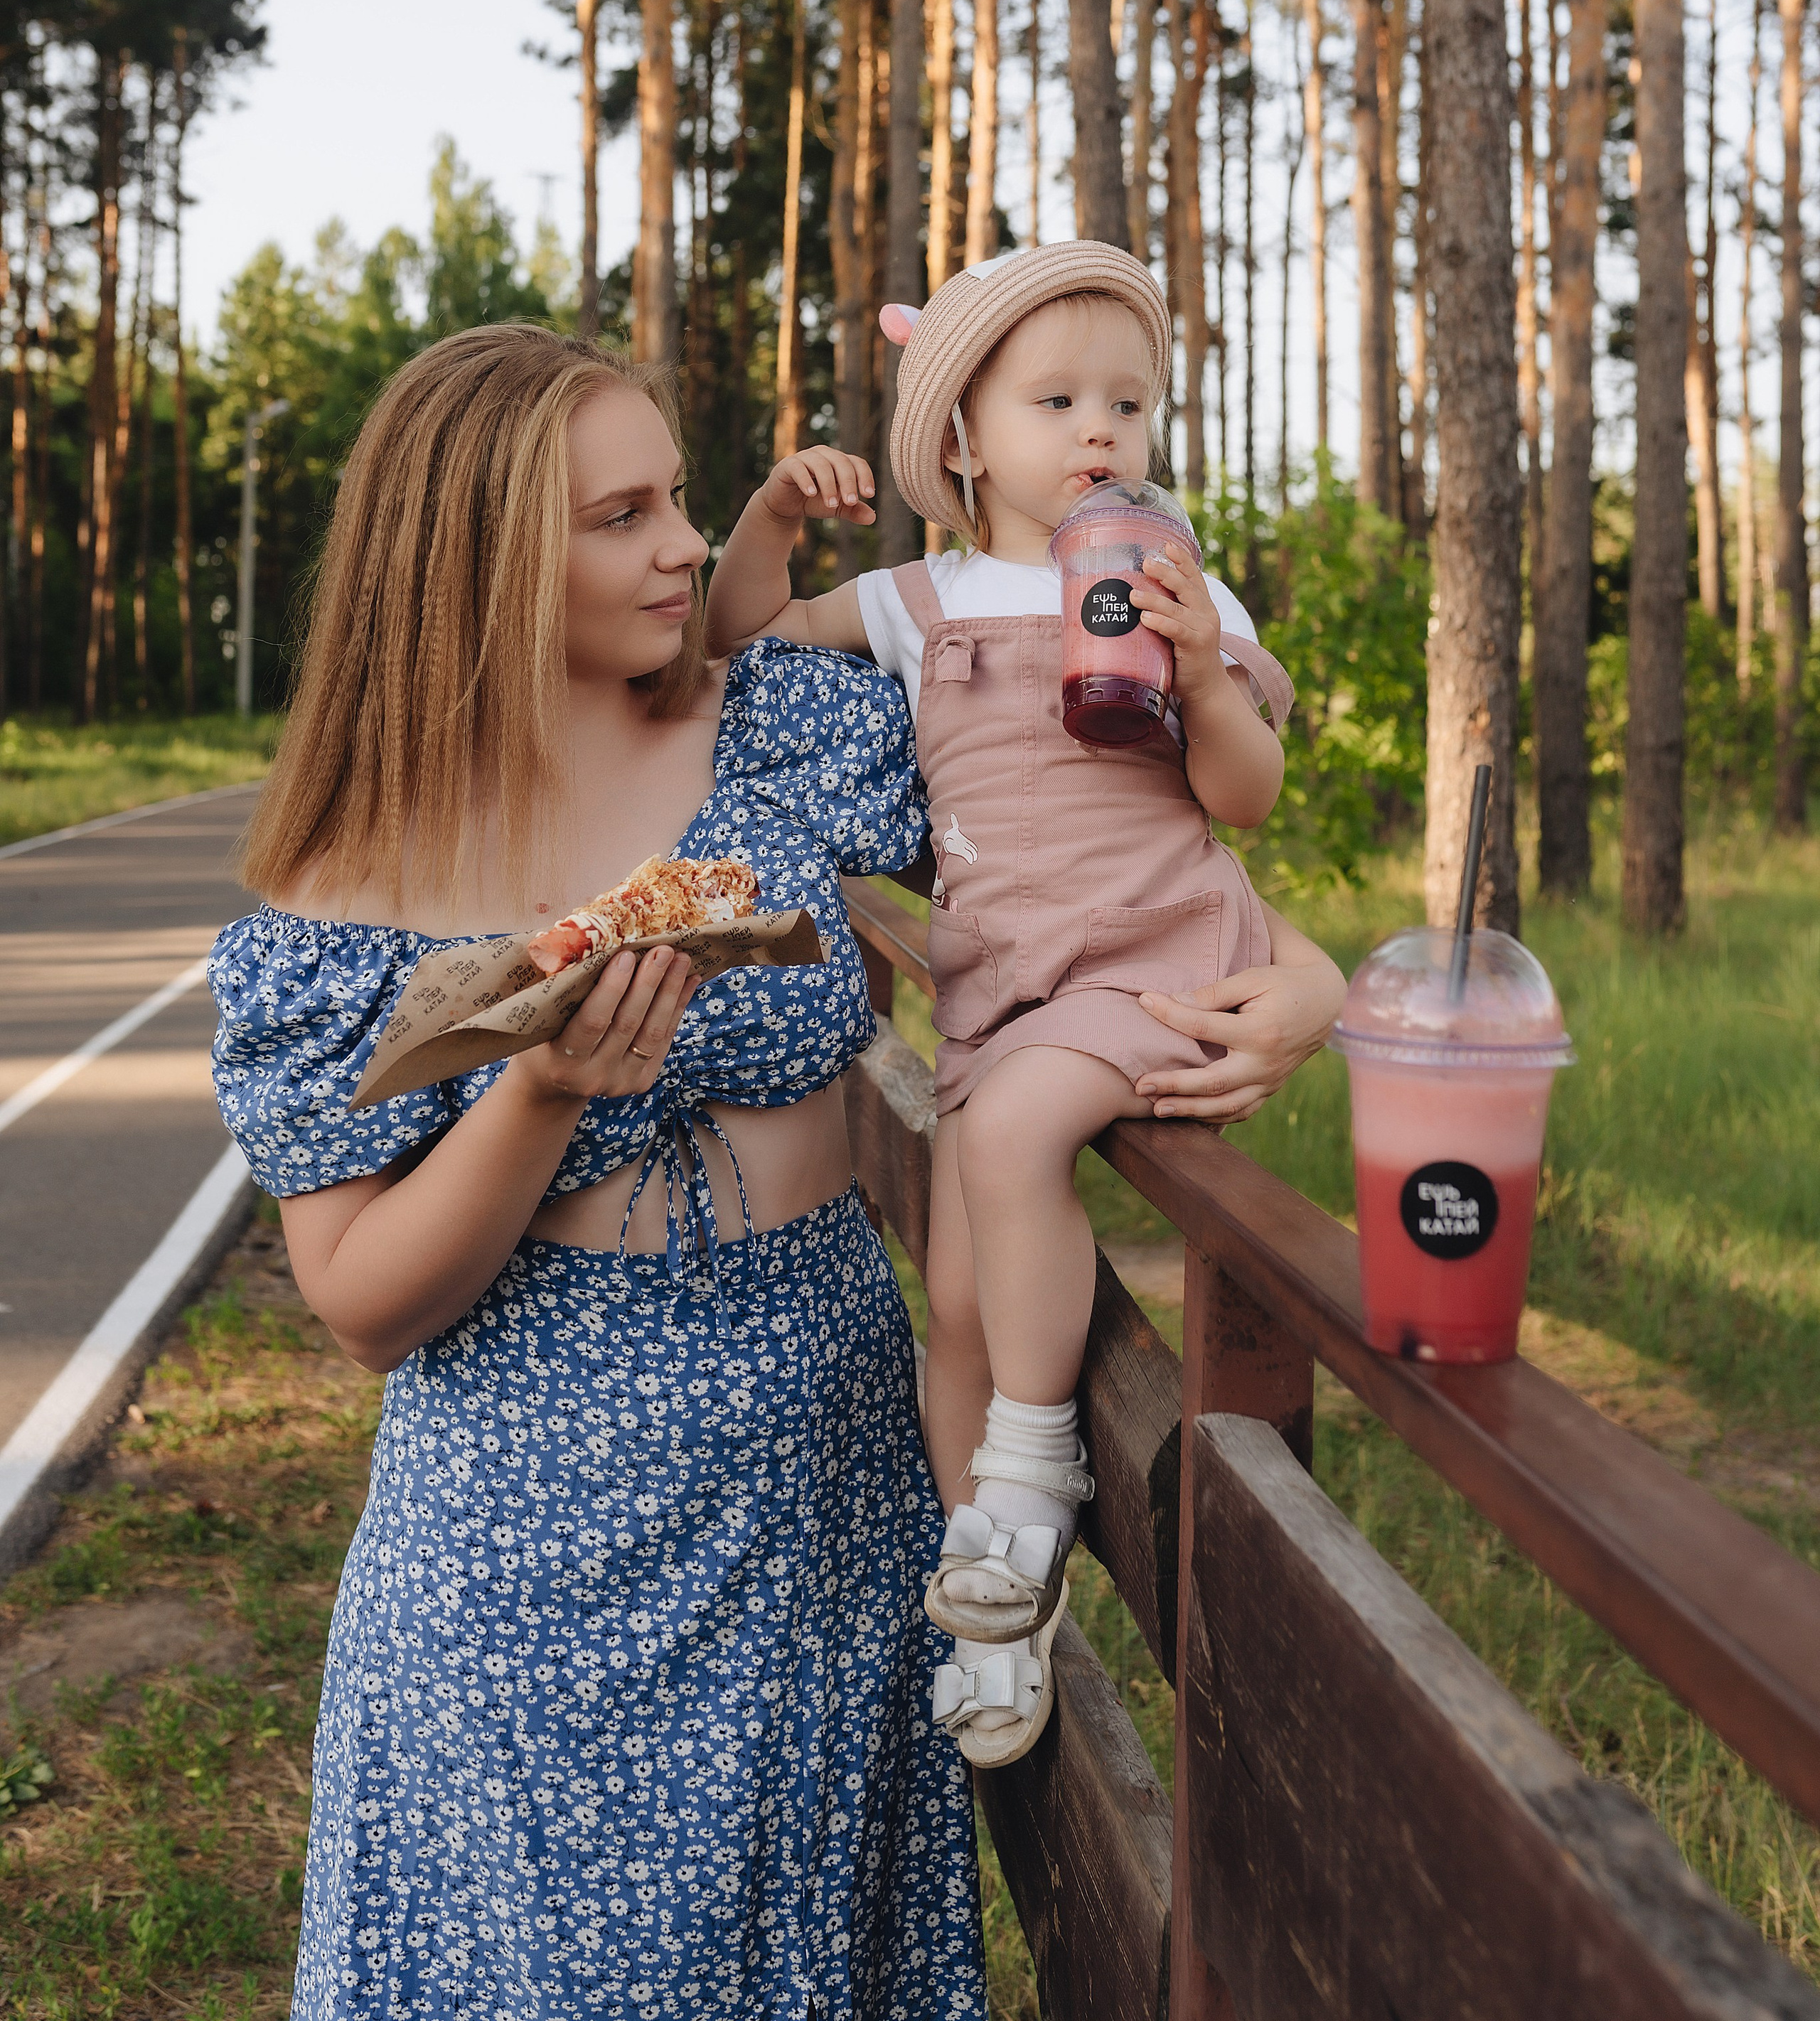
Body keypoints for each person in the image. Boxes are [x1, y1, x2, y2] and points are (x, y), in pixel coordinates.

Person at [208, 325, 985, 2021]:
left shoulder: (787, 720)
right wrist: (541, 1090)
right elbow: (358, 1304)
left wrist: (1282, 972)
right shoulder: (350, 891)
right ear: (482, 558)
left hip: (818, 1487)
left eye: (681, 500)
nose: (685, 546)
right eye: (620, 515)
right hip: (516, 1549)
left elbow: (1082, 838)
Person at [706, 243, 1345, 1766]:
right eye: (1054, 398)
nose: (1098, 431)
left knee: (1004, 1152)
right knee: (959, 1299)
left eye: (1127, 399)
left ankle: (1026, 1480)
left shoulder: (1173, 580)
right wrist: (774, 516)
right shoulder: (918, 599)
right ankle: (995, 1599)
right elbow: (736, 632)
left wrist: (1200, 673)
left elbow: (1242, 793)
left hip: (1150, 949)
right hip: (1000, 977)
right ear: (961, 437)